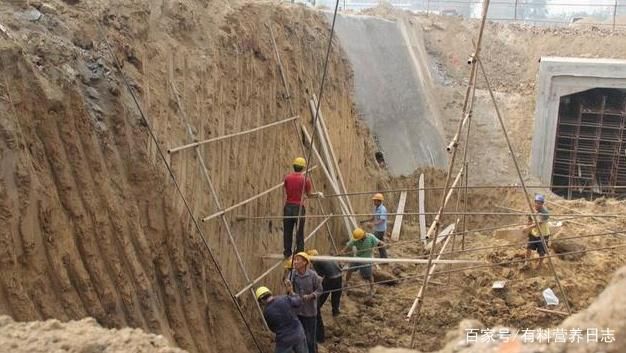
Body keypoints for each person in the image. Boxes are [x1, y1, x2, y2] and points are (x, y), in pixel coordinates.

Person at [283, 157, 322, 258]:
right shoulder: (305, 179)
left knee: (287, 231)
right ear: (303, 168)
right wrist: (318, 194)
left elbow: (288, 191)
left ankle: (287, 252)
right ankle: (299, 252)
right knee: (299, 231)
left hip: (288, 207)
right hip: (298, 208)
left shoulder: (287, 178)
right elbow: (309, 195)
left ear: (294, 166)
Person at [285, 252, 322, 353]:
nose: (295, 262)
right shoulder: (292, 274)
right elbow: (290, 292)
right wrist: (289, 288)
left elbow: (320, 290)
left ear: (305, 262)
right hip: (297, 312)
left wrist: (311, 296)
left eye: (298, 260)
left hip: (310, 312)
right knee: (299, 337)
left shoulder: (313, 275)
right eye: (295, 260)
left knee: (310, 338)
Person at [256, 286, 307, 353]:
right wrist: (293, 293)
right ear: (270, 293)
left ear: (262, 300)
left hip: (284, 340)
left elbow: (272, 328)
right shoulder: (284, 298)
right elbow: (298, 302)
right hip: (298, 333)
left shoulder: (266, 312)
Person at [306, 249, 342, 343]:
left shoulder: (317, 262)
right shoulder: (326, 256)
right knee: (336, 297)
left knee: (321, 296)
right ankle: (335, 312)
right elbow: (340, 266)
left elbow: (319, 277)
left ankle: (317, 307)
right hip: (339, 276)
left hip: (331, 279)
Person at [341, 228, 383, 298]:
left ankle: (372, 288)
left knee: (368, 275)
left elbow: (379, 242)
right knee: (350, 270)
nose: (359, 240)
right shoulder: (356, 239)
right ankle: (346, 283)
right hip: (357, 257)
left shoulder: (371, 237)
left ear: (363, 235)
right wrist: (343, 251)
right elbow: (348, 245)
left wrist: (382, 243)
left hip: (366, 259)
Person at [523, 194, 551, 268]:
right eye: (536, 202)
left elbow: (538, 224)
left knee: (542, 251)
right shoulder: (532, 210)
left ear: (542, 204)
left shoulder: (545, 213)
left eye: (540, 203)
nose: (537, 204)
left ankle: (540, 264)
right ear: (534, 202)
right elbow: (530, 219)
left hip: (543, 234)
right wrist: (527, 225)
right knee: (528, 247)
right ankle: (526, 261)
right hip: (534, 233)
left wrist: (527, 228)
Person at [361, 193, 388, 258]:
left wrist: (372, 224)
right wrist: (364, 221)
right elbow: (373, 218)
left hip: (380, 230)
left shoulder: (383, 209)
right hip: (377, 229)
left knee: (370, 241)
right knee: (380, 244)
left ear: (379, 201)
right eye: (374, 200)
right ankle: (384, 259)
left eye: (375, 200)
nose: (374, 202)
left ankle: (367, 257)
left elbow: (382, 220)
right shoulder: (376, 208)